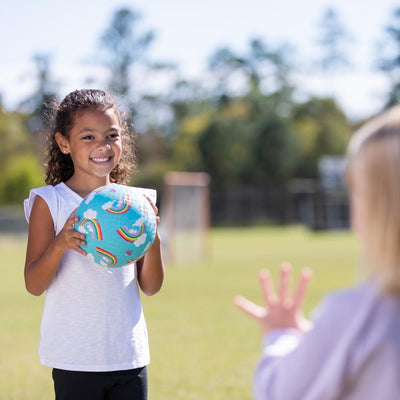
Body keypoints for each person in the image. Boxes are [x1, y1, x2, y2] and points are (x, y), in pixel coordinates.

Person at [234, 105, 400, 399]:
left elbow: (279, 392)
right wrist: (321, 338)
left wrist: (281, 334)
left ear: (377, 206)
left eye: (356, 189)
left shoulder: (356, 315)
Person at [23, 89, 165, 400]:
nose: (102, 145)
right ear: (64, 143)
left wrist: (150, 234)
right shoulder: (50, 202)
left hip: (128, 355)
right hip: (74, 358)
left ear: (122, 140)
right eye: (88, 136)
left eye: (111, 135)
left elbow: (151, 287)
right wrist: (60, 244)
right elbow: (33, 284)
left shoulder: (138, 204)